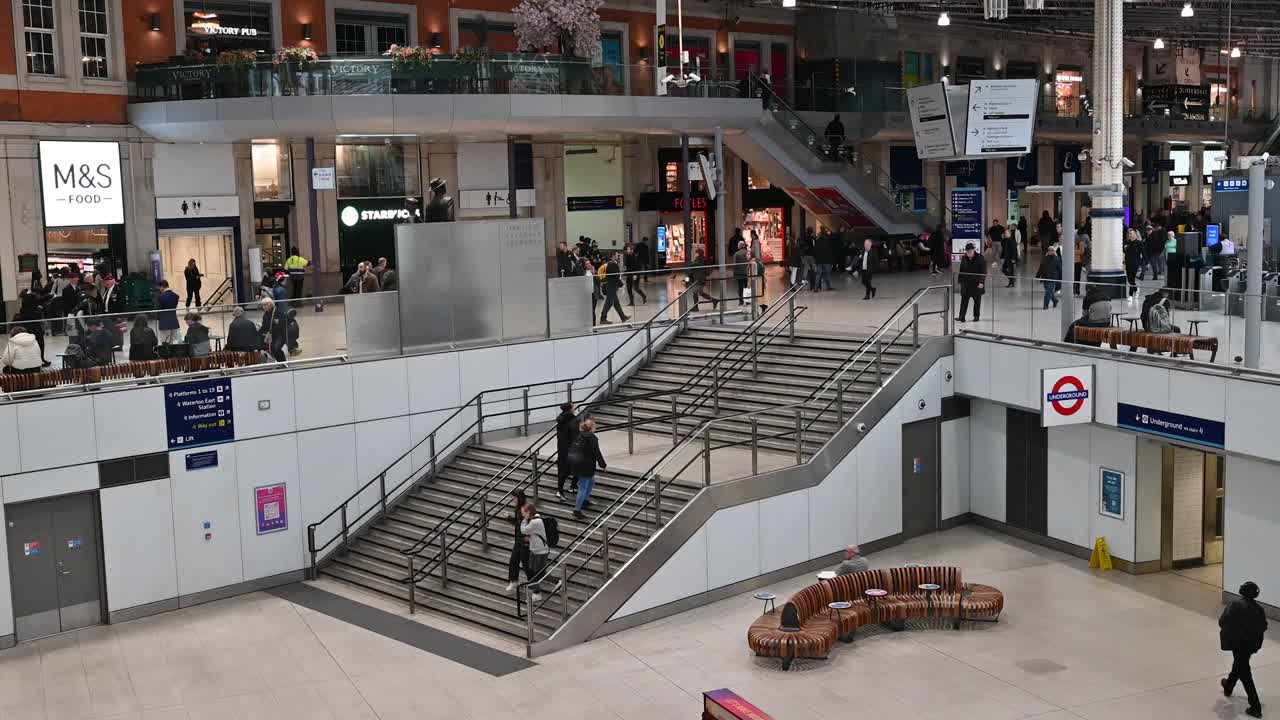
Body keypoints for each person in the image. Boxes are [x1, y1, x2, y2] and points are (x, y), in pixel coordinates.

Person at [1220, 581, 1267, 717]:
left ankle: (1255, 707)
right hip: (1251, 645)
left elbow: (1222, 622)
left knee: (1245, 674)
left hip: (1238, 643)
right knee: (1240, 664)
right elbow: (1264, 626)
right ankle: (1228, 686)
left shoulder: (1234, 604)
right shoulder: (1259, 609)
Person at [568, 416, 606, 520]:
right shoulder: (592, 438)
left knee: (591, 482)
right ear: (592, 427)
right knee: (583, 487)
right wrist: (603, 465)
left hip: (577, 463)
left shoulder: (579, 435)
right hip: (587, 465)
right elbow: (597, 453)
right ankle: (577, 510)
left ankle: (584, 500)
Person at [519, 502, 555, 602]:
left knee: (533, 572)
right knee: (540, 572)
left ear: (528, 512)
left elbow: (523, 530)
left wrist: (524, 521)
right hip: (542, 549)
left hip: (537, 551)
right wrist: (531, 538)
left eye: (523, 513)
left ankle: (537, 593)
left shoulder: (534, 522)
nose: (522, 515)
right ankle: (557, 582)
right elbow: (535, 532)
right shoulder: (537, 519)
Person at [503, 490, 532, 593]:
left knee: (526, 564)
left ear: (519, 498)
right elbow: (518, 523)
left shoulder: (525, 509)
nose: (513, 499)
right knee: (513, 560)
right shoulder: (518, 509)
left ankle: (533, 582)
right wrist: (509, 518)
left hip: (525, 542)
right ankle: (514, 580)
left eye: (514, 498)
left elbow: (529, 525)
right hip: (518, 541)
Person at [15, 291, 50, 367]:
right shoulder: (26, 309)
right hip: (31, 330)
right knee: (36, 345)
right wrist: (39, 308)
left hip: (35, 328)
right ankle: (37, 360)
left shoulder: (26, 308)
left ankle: (41, 358)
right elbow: (35, 315)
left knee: (40, 344)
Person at [555, 402, 579, 501]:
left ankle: (560, 490)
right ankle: (571, 487)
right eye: (573, 407)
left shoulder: (561, 419)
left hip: (562, 448)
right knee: (576, 467)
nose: (574, 409)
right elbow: (575, 435)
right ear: (569, 409)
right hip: (571, 449)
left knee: (563, 470)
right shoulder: (573, 420)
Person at [956, 243, 986, 322]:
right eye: (967, 251)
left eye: (970, 251)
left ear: (973, 250)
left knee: (977, 301)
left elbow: (983, 271)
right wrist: (960, 280)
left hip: (976, 283)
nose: (968, 253)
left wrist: (981, 282)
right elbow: (961, 269)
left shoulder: (980, 258)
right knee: (964, 301)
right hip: (966, 283)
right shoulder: (964, 258)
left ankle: (976, 316)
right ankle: (961, 316)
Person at [599, 253, 628, 324]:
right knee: (609, 303)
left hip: (610, 285)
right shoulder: (612, 264)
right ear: (613, 256)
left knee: (616, 303)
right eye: (617, 256)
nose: (618, 257)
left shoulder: (610, 263)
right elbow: (615, 276)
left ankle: (623, 317)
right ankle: (603, 318)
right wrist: (621, 284)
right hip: (610, 286)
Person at [259, 298, 287, 362]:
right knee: (271, 349)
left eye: (265, 305)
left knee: (276, 348)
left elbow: (283, 324)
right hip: (272, 335)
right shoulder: (266, 314)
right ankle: (279, 362)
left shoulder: (278, 312)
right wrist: (257, 333)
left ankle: (283, 363)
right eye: (262, 305)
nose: (263, 307)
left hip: (281, 334)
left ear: (270, 304)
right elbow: (264, 326)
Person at [1124, 229, 1144, 297]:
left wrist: (1145, 262)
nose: (1130, 235)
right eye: (1129, 234)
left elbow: (1143, 252)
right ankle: (1136, 289)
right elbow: (1125, 251)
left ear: (1135, 235)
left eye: (1132, 234)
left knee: (1132, 278)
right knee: (1129, 279)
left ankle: (1130, 295)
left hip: (1135, 263)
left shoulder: (1139, 243)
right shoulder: (1127, 242)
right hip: (1128, 262)